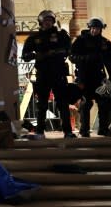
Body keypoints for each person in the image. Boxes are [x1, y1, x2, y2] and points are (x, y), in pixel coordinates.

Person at [21, 10, 75, 139]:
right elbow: (25, 56)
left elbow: (69, 50)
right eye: (45, 21)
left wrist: (56, 52)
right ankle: (40, 131)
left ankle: (67, 131)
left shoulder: (61, 35)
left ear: (53, 21)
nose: (48, 23)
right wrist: (37, 55)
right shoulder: (34, 37)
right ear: (41, 22)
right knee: (42, 105)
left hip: (58, 73)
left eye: (50, 20)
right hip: (43, 74)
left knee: (63, 104)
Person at [68, 17, 111, 137]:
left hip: (100, 77)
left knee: (104, 102)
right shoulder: (80, 41)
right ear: (89, 28)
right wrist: (85, 58)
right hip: (84, 76)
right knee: (85, 103)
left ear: (101, 29)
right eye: (93, 28)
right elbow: (72, 57)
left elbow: (108, 61)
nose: (94, 31)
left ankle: (103, 128)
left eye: (97, 28)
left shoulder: (105, 43)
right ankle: (84, 130)